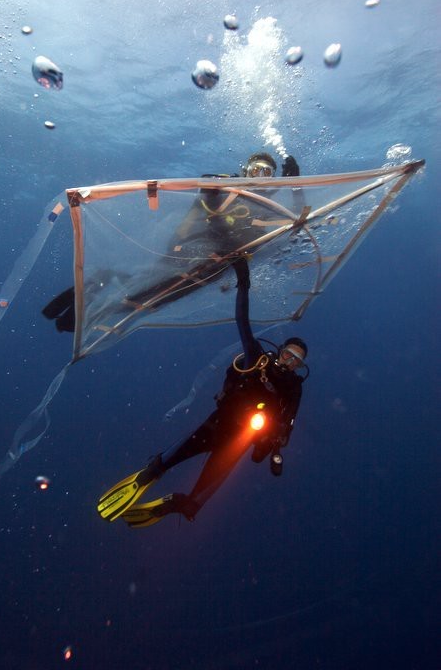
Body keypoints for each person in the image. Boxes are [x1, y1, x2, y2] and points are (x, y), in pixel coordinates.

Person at [97, 256, 308, 527]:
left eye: (297, 361)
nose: (291, 362)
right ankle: (147, 475)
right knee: (166, 461)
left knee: (196, 503)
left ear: (300, 366)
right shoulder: (257, 358)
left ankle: (174, 503)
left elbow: (287, 422)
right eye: (290, 354)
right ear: (281, 351)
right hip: (218, 423)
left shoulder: (293, 389)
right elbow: (242, 321)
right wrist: (243, 280)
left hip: (240, 441)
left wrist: (276, 444)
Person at [42, 152, 300, 333]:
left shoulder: (268, 209)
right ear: (246, 170)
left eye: (268, 172)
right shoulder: (228, 188)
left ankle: (101, 292)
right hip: (192, 249)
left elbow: (295, 225)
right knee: (152, 287)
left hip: (217, 266)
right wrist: (234, 186)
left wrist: (294, 187)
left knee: (154, 299)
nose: (262, 176)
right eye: (257, 170)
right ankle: (95, 297)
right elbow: (207, 186)